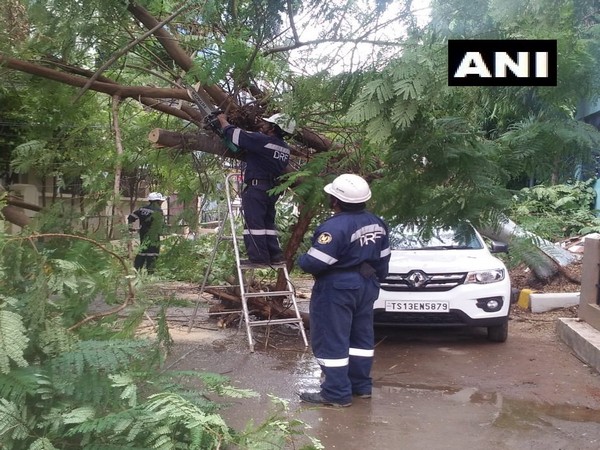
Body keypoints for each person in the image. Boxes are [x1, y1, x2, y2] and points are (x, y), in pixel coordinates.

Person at [296, 174, 391, 407]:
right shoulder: (377, 223)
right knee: (361, 338)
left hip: (337, 288)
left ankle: (336, 393)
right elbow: (384, 259)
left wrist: (302, 260)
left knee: (331, 338)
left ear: (336, 201)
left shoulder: (334, 227)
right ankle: (361, 387)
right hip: (366, 285)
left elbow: (315, 262)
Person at [216, 112, 295, 265]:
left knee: (254, 223)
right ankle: (275, 255)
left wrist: (222, 121)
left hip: (257, 188)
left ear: (273, 128)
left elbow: (235, 134)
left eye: (267, 124)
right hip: (272, 190)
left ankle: (259, 258)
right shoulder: (285, 149)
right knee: (267, 223)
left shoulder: (262, 141)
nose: (263, 126)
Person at [128, 192, 166, 274]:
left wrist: (130, 228)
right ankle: (150, 272)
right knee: (153, 252)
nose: (161, 203)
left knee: (142, 251)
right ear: (157, 201)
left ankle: (136, 270)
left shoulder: (142, 209)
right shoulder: (158, 211)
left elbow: (131, 217)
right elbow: (159, 224)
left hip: (143, 233)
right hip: (154, 235)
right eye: (160, 201)